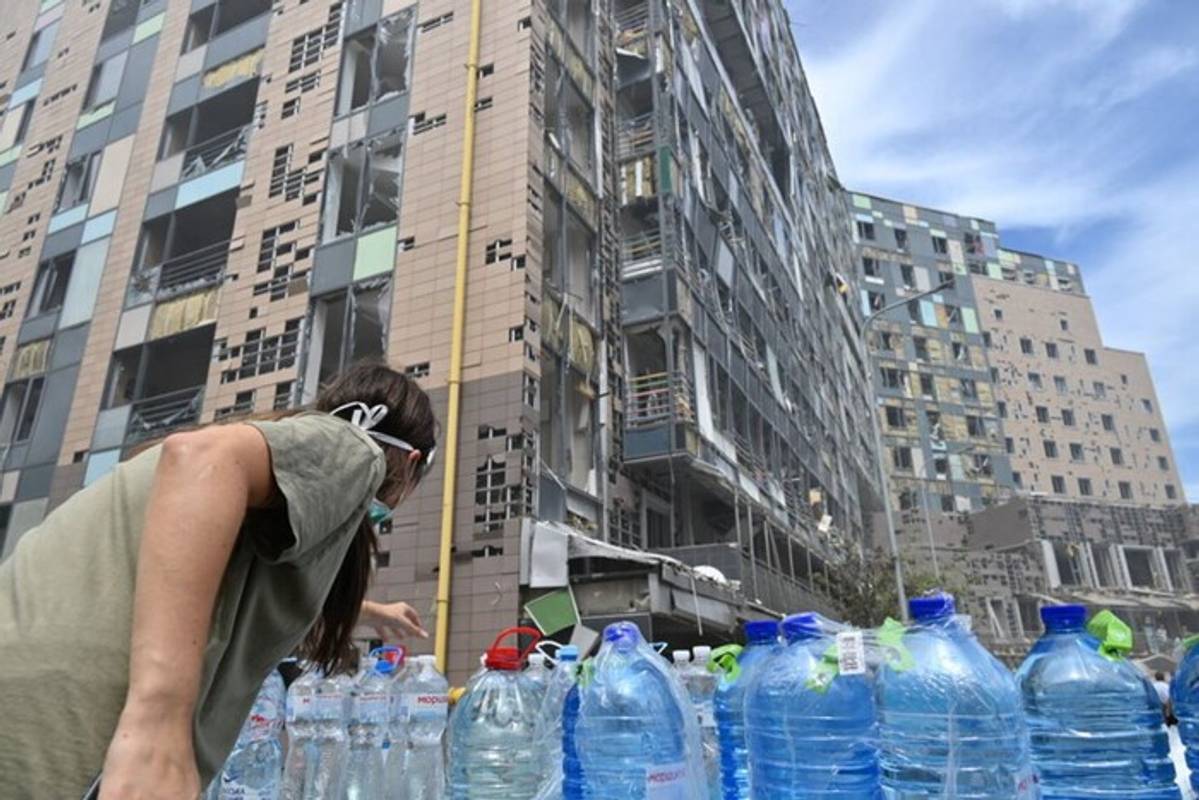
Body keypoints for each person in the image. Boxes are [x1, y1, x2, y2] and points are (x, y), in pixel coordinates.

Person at [0, 361, 438, 800]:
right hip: (62, 723)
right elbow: (201, 460)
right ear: (414, 461)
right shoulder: (354, 449)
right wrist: (159, 725)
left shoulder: (287, 468)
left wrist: (376, 613)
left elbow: (236, 591)